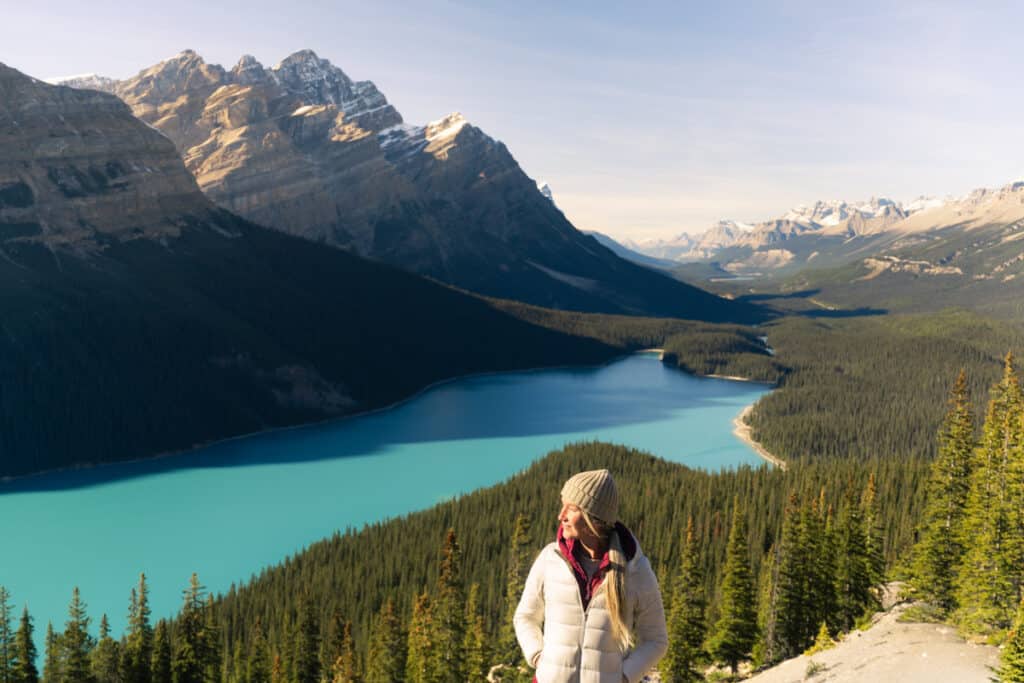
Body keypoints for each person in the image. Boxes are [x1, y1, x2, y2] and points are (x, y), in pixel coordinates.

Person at [514, 469, 668, 682]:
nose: (561, 516)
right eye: (562, 505)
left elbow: (656, 640)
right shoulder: (550, 559)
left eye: (572, 509)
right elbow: (525, 617)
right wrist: (539, 657)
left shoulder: (635, 569)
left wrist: (624, 677)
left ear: (594, 518)